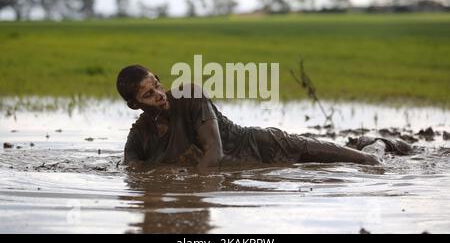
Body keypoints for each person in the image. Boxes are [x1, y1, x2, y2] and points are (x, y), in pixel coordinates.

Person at [116, 64, 403, 170]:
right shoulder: (140, 135)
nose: (159, 94)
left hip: (264, 145)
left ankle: (378, 144)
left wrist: (191, 194)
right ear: (134, 105)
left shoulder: (190, 95)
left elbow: (214, 153)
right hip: (247, 167)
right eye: (148, 94)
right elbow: (132, 170)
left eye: (157, 84)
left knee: (366, 162)